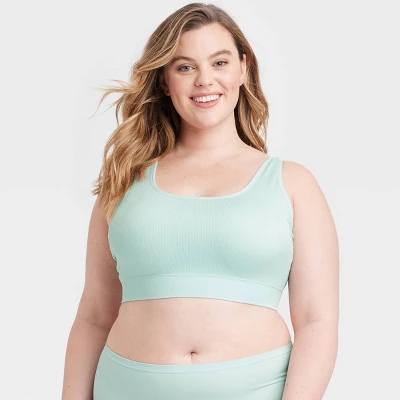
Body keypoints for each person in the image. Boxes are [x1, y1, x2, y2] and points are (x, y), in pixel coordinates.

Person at [61, 3, 339, 400]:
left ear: (243, 68)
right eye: (185, 67)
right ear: (164, 81)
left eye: (219, 62)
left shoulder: (292, 183)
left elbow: (317, 321)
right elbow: (93, 316)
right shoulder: (123, 181)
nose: (205, 80)